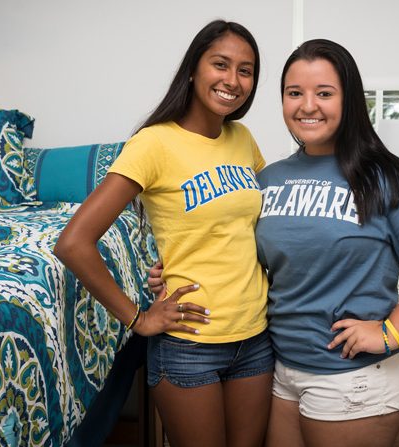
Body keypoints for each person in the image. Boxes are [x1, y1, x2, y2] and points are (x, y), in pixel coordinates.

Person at [149, 38, 399, 447]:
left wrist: (391, 333)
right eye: (294, 93)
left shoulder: (385, 176)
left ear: (348, 100)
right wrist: (173, 271)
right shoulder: (268, 178)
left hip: (354, 379)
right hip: (283, 372)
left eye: (324, 93)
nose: (307, 105)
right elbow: (243, 254)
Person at [54, 20, 273, 447]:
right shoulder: (153, 144)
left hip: (255, 337)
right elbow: (73, 243)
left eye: (245, 71)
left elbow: (264, 225)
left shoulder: (242, 138)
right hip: (190, 346)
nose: (233, 80)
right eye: (221, 64)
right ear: (194, 69)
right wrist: (138, 318)